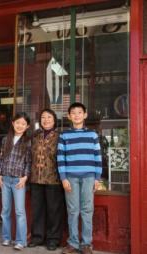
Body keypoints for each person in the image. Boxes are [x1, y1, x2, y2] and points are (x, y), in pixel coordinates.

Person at [57, 102, 102, 254]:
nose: (76, 115)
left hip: (89, 177)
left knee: (87, 210)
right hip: (70, 178)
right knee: (73, 211)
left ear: (85, 115)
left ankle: (87, 244)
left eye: (79, 112)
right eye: (73, 113)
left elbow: (98, 157)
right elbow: (60, 158)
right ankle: (73, 243)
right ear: (69, 116)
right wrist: (63, 178)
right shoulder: (64, 135)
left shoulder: (93, 135)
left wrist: (97, 178)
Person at [28, 109, 64, 251]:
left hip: (54, 179)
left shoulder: (60, 136)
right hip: (36, 178)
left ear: (54, 120)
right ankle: (37, 237)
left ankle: (53, 239)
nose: (46, 120)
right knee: (37, 210)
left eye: (49, 117)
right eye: (43, 117)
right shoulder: (35, 136)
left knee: (53, 211)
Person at [0, 112, 31, 251]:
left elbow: (29, 162)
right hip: (5, 179)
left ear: (27, 126)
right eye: (18, 123)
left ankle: (21, 241)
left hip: (18, 180)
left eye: (23, 124)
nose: (20, 126)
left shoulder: (28, 141)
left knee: (19, 211)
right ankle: (6, 237)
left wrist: (25, 177)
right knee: (5, 210)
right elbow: (1, 158)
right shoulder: (6, 140)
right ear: (13, 123)